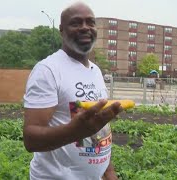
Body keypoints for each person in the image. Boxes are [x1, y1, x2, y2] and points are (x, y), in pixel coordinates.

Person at [23, 2, 122, 179]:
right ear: (61, 30)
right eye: (76, 23)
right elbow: (31, 139)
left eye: (90, 22)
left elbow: (100, 130)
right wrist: (75, 131)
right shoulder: (48, 70)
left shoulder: (95, 71)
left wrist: (109, 172)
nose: (85, 27)